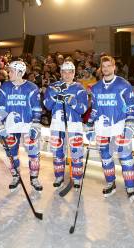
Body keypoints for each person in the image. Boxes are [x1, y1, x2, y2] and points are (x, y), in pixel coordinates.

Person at [87, 55, 134, 201]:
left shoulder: (124, 84)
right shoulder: (96, 87)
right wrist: (90, 124)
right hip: (102, 127)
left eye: (109, 66)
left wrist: (129, 125)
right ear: (101, 69)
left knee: (125, 157)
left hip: (119, 125)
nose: (106, 68)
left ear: (114, 67)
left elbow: (132, 106)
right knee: (105, 157)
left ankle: (130, 187)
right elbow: (95, 109)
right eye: (104, 66)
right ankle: (110, 183)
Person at [0, 61, 43, 192]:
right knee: (12, 154)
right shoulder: (5, 87)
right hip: (10, 126)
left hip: (27, 125)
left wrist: (35, 125)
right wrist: (0, 125)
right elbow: (1, 108)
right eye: (9, 70)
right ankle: (15, 176)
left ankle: (34, 178)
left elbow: (36, 108)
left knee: (34, 154)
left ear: (20, 72)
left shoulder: (32, 87)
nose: (8, 73)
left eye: (11, 71)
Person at [43, 61, 88, 190]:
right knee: (58, 152)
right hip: (57, 125)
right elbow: (47, 105)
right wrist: (55, 96)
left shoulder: (79, 88)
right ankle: (59, 176)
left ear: (74, 73)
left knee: (76, 152)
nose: (67, 75)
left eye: (70, 72)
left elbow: (83, 109)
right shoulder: (53, 87)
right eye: (64, 72)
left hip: (74, 125)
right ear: (61, 73)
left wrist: (71, 101)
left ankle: (77, 177)